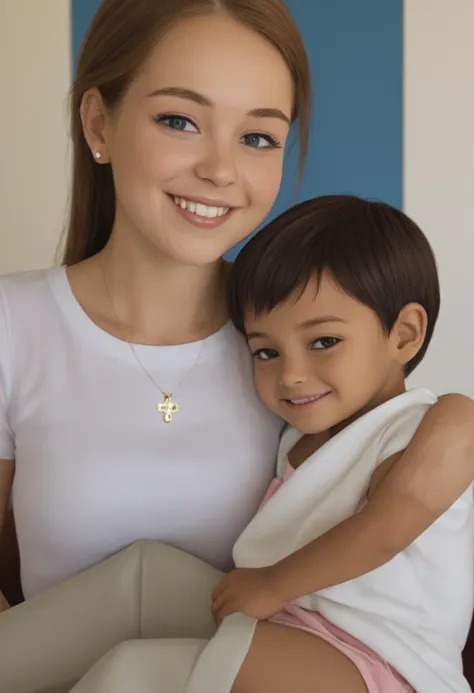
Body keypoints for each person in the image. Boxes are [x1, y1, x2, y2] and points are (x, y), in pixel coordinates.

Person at [0, 0, 473, 689]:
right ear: (100, 124)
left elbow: (397, 448)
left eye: (258, 137)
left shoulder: (300, 352)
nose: (221, 170)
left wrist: (454, 418)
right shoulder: (13, 325)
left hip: (293, 659)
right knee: (140, 577)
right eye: (180, 120)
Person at [69, 196, 473, 693]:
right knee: (143, 569)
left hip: (380, 668)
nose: (292, 375)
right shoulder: (297, 440)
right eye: (266, 351)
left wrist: (273, 584)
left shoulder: (419, 428)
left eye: (324, 341)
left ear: (404, 335)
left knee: (134, 670)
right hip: (294, 628)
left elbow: (386, 529)